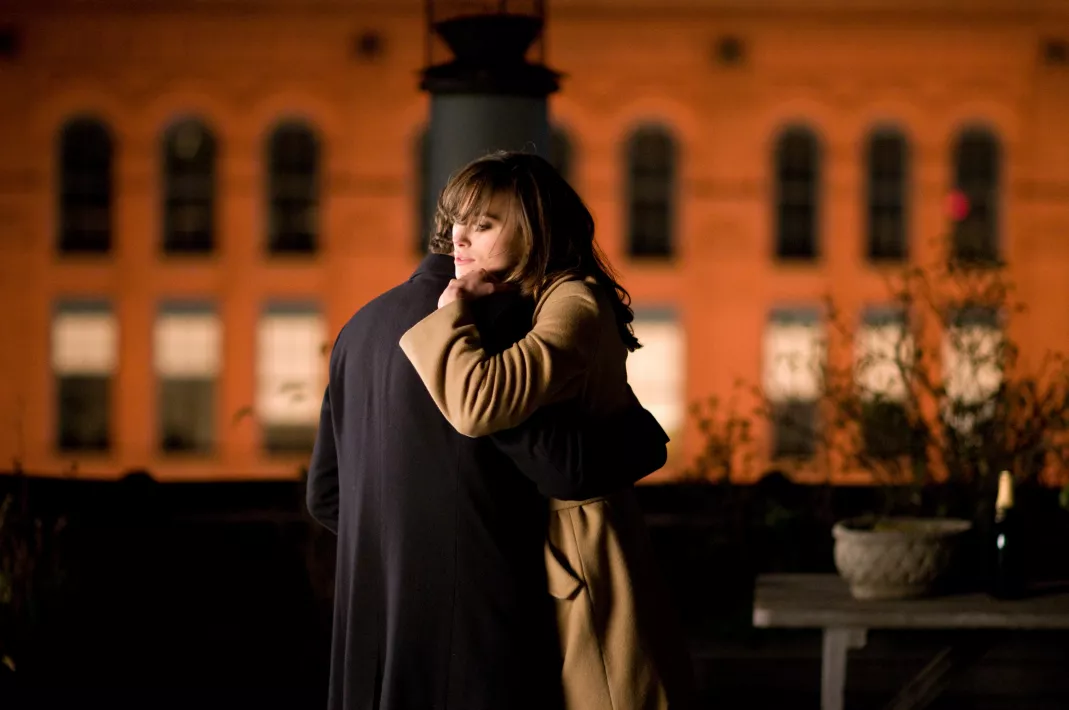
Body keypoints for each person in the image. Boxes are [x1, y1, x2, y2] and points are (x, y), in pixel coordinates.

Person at [305, 234, 672, 708]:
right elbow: (565, 469)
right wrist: (643, 437)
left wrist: (401, 548)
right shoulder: (497, 323)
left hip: (368, 638)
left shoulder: (356, 330)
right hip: (477, 629)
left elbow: (324, 495)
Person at [400, 150, 696, 710]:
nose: (458, 238)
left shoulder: (574, 300)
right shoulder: (544, 298)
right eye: (458, 222)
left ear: (533, 229)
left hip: (585, 549)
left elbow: (478, 402)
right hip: (556, 545)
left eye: (483, 224)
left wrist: (451, 312)